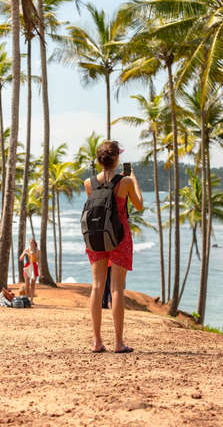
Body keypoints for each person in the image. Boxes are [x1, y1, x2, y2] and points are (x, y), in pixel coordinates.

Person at [84, 140, 143, 353]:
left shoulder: (88, 183)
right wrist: (133, 180)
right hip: (119, 237)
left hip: (96, 238)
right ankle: (118, 342)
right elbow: (139, 205)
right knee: (116, 288)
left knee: (97, 286)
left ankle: (97, 341)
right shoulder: (125, 182)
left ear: (100, 160)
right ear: (116, 159)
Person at [19, 238, 40, 305]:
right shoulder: (26, 249)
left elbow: (38, 260)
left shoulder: (37, 251)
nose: (32, 244)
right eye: (31, 243)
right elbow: (20, 259)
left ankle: (31, 299)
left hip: (34, 267)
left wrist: (35, 255)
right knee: (27, 284)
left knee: (33, 284)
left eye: (33, 243)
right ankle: (26, 299)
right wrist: (24, 253)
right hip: (27, 266)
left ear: (35, 244)